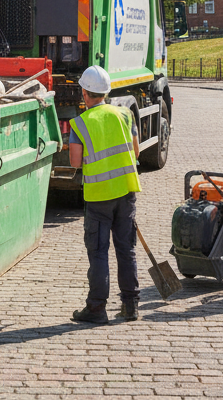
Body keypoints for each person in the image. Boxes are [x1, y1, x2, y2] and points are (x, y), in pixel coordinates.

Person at [67, 65, 141, 324]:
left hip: (99, 197)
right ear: (106, 93)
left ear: (85, 94)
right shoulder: (124, 115)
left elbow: (76, 162)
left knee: (98, 252)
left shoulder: (80, 123)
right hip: (126, 192)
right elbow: (136, 152)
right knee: (126, 250)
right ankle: (130, 306)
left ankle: (97, 309)